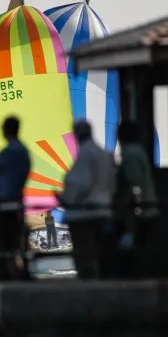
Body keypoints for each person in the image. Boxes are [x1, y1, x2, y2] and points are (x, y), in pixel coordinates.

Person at [59, 120, 115, 280]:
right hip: (103, 210)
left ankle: (88, 284)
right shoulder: (103, 154)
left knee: (83, 255)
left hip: (83, 214)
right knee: (98, 253)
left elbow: (81, 183)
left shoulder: (84, 154)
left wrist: (65, 198)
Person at [112, 121, 158, 277]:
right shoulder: (139, 152)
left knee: (132, 251)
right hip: (146, 210)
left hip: (138, 213)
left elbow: (134, 184)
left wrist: (132, 212)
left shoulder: (130, 154)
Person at [0, 116, 31, 253]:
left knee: (5, 240)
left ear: (6, 130)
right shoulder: (24, 151)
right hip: (18, 199)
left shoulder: (8, 152)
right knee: (18, 237)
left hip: (5, 201)